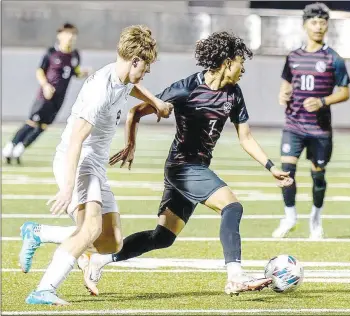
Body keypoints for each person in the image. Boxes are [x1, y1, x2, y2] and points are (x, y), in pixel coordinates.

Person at [85, 31, 293, 296]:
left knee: (163, 238)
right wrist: (130, 144)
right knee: (232, 207)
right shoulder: (186, 87)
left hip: (192, 169)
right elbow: (136, 111)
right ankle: (235, 276)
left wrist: (271, 167)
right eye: (241, 62)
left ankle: (99, 259)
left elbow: (246, 137)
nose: (243, 69)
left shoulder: (234, 94)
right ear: (227, 62)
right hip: (183, 168)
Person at [23, 25, 172, 306]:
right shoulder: (100, 91)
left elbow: (133, 86)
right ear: (135, 60)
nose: (148, 71)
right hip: (80, 161)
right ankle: (43, 289)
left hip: (94, 164)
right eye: (147, 66)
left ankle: (39, 233)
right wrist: (67, 189)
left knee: (110, 242)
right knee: (90, 229)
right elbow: (76, 140)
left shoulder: (121, 75)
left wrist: (156, 102)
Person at [272, 2, 350, 239]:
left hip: (320, 129)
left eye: (323, 22)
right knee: (286, 172)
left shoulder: (333, 58)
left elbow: (345, 92)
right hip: (294, 125)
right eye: (314, 22)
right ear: (305, 25)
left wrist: (323, 101)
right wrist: (282, 94)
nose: (318, 27)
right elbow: (286, 83)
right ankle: (289, 217)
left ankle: (316, 219)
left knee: (318, 174)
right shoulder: (293, 56)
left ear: (327, 26)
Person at [2, 23, 91, 164]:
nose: (70, 37)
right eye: (67, 34)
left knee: (43, 126)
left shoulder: (75, 55)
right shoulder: (51, 52)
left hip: (59, 98)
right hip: (45, 96)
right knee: (32, 122)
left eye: (73, 35)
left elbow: (74, 71)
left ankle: (20, 149)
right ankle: (9, 147)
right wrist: (45, 85)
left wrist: (83, 73)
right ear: (60, 35)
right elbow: (40, 70)